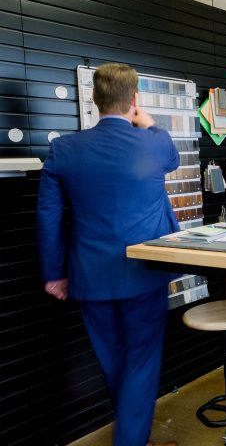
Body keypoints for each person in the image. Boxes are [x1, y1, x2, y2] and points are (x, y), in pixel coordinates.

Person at [37, 63, 179, 446]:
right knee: (141, 360)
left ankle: (136, 436)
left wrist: (53, 274)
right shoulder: (155, 143)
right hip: (144, 274)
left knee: (114, 360)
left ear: (94, 98)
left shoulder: (64, 150)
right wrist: (148, 122)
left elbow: (48, 216)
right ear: (134, 99)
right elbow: (172, 159)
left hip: (89, 276)